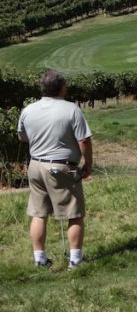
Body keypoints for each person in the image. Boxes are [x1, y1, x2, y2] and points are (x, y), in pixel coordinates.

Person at [18, 70, 94, 269]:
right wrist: (88, 164)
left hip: (35, 165)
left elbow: (22, 137)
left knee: (38, 213)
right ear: (62, 88)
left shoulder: (28, 110)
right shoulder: (71, 109)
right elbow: (84, 140)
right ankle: (75, 261)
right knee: (74, 214)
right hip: (62, 167)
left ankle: (40, 259)